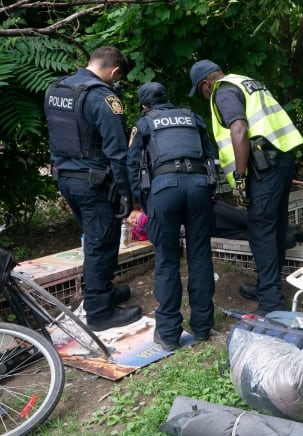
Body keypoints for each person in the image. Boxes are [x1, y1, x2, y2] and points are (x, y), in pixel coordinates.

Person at [189, 59, 303, 315]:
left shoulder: (223, 90)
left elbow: (239, 129)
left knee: (260, 229)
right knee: (274, 224)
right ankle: (267, 287)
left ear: (206, 83)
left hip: (265, 165)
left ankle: (271, 302)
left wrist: (240, 177)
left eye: (201, 91)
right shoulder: (245, 81)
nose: (205, 96)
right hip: (282, 157)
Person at [44, 46, 142, 332]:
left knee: (95, 238)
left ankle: (103, 290)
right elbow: (117, 152)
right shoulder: (103, 97)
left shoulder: (57, 89)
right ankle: (100, 311)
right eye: (117, 78)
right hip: (94, 184)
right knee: (102, 244)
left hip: (65, 179)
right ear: (114, 72)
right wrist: (128, 195)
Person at [127, 82, 218, 350]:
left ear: (145, 105)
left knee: (166, 259)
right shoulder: (193, 118)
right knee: (200, 255)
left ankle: (168, 333)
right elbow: (210, 157)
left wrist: (142, 203)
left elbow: (132, 165)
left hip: (164, 190)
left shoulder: (144, 123)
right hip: (199, 187)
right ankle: (203, 326)